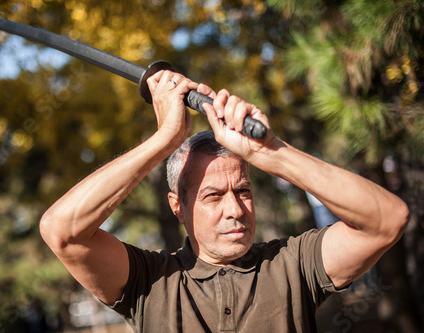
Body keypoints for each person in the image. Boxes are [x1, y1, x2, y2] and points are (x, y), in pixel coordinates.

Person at [39, 71, 409, 332]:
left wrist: (274, 155)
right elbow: (62, 231)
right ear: (177, 205)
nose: (235, 210)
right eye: (212, 196)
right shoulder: (149, 282)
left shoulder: (291, 264)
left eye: (243, 191)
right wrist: (165, 138)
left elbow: (387, 219)